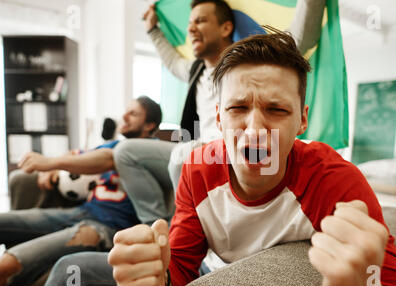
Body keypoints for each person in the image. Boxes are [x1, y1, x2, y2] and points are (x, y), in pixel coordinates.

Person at [106, 30, 396, 286]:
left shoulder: (333, 179)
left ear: (302, 120)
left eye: (276, 110)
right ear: (219, 117)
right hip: (211, 270)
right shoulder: (197, 170)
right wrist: (157, 280)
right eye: (237, 108)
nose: (255, 130)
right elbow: (181, 268)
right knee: (71, 268)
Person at [113, 0, 326, 266]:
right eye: (189, 23)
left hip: (227, 150)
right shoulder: (195, 71)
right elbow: (171, 61)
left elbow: (301, 36)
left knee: (184, 155)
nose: (191, 28)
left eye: (200, 21)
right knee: (126, 151)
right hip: (198, 145)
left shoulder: (254, 64)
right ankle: (159, 232)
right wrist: (153, 31)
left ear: (226, 27)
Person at [0, 96, 163, 286]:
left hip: (105, 227)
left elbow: (106, 159)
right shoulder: (113, 143)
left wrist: (51, 162)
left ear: (150, 125)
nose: (124, 116)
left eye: (133, 113)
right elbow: (80, 155)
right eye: (126, 111)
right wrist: (56, 170)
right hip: (80, 212)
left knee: (6, 264)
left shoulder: (151, 152)